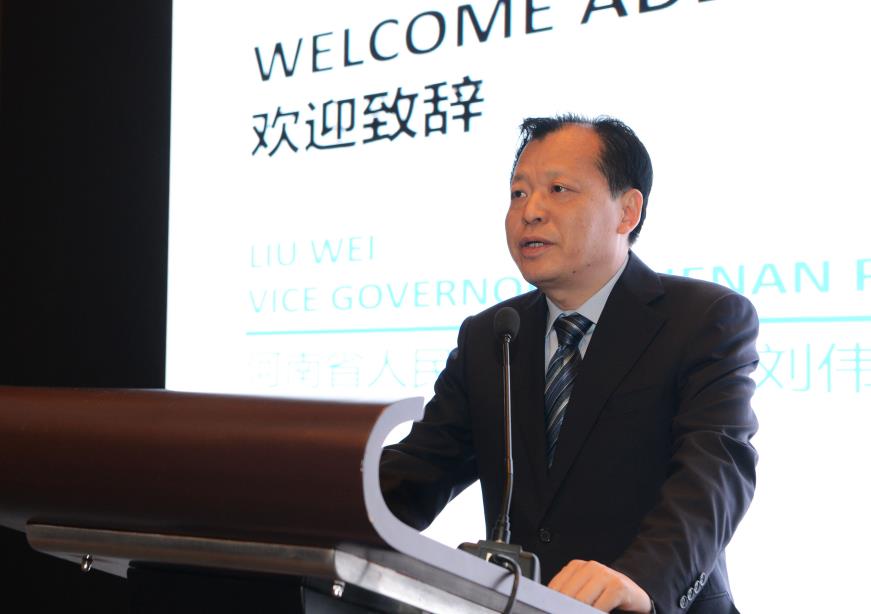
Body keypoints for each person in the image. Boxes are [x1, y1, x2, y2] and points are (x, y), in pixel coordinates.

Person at [380, 114, 759, 613]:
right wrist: (310, 503)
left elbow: (714, 472)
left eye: (558, 190)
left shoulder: (703, 319)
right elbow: (421, 469)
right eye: (518, 193)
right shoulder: (492, 334)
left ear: (627, 211)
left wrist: (640, 579)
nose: (530, 212)